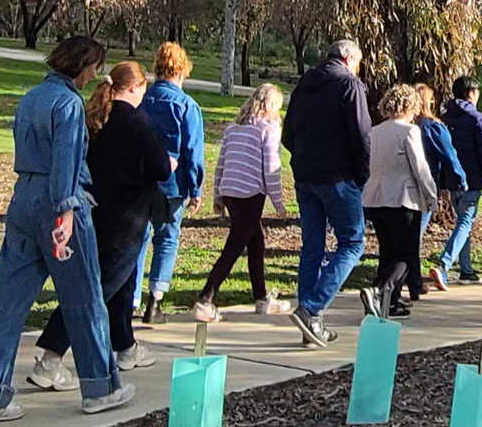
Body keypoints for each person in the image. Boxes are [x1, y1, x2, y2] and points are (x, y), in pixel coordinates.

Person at [0, 37, 134, 425]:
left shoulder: (31, 97)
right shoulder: (69, 104)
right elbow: (65, 161)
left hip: (23, 197)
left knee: (5, 304)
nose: (95, 75)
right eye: (94, 67)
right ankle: (101, 388)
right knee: (84, 298)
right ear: (83, 65)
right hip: (61, 202)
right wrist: (66, 212)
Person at [30, 62, 172, 392]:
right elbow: (160, 168)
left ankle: (125, 346)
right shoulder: (137, 122)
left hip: (93, 212)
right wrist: (169, 163)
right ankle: (50, 357)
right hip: (127, 219)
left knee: (121, 284)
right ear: (135, 88)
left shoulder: (94, 117)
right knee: (95, 290)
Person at [282, 39, 371, 348]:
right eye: (358, 62)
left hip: (306, 174)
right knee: (352, 242)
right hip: (338, 176)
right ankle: (312, 308)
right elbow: (361, 134)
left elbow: (288, 133)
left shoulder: (305, 84)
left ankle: (311, 323)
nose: (358, 68)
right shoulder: (349, 84)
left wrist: (302, 157)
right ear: (348, 58)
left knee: (312, 247)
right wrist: (362, 174)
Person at [194, 84, 291, 322]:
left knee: (256, 242)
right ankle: (205, 298)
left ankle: (261, 297)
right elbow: (271, 168)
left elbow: (221, 163)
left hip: (231, 191)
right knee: (235, 246)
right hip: (251, 194)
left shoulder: (233, 129)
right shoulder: (268, 130)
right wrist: (279, 202)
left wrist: (218, 195)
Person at [136, 42, 205, 323]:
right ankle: (155, 298)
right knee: (166, 239)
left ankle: (131, 298)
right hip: (171, 184)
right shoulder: (186, 105)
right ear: (182, 70)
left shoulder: (142, 99)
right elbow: (192, 151)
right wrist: (195, 188)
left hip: (141, 180)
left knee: (138, 238)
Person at [359, 84, 437, 319]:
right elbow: (420, 169)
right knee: (406, 254)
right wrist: (431, 196)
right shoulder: (409, 131)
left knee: (387, 251)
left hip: (376, 197)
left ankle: (389, 302)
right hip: (403, 198)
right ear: (410, 106)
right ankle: (380, 292)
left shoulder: (375, 132)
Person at [428, 76, 482, 289]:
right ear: (471, 93)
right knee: (465, 222)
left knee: (462, 222)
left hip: (452, 179)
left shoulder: (445, 117)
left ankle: (466, 270)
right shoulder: (477, 119)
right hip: (472, 178)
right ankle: (444, 264)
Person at [406, 83, 466, 299]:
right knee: (416, 232)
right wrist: (460, 180)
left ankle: (409, 275)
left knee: (408, 232)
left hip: (403, 184)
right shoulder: (433, 127)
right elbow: (449, 155)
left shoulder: (406, 126)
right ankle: (411, 278)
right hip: (426, 182)